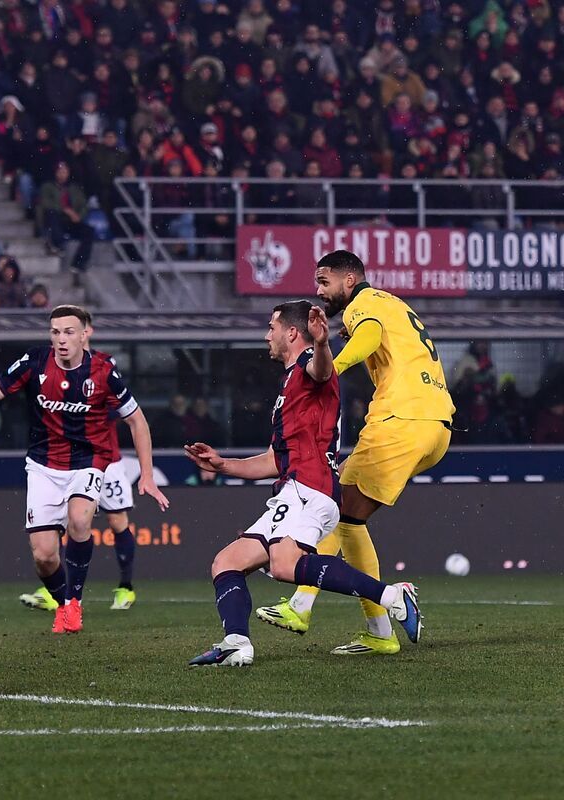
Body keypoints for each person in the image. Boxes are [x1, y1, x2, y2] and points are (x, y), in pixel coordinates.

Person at [184, 301, 422, 667]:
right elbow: (273, 460)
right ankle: (236, 642)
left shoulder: (310, 366)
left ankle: (392, 597)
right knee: (227, 562)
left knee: (283, 564)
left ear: (291, 332)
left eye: (271, 327)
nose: (267, 335)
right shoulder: (289, 385)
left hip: (310, 489)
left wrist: (325, 343)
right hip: (293, 488)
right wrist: (222, 465)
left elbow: (324, 371)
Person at [256, 251, 453, 656]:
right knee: (347, 515)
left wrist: (327, 371)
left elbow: (367, 338)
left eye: (324, 282)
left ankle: (301, 605)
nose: (318, 290)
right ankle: (379, 631)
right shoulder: (391, 303)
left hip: (402, 419)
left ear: (349, 280)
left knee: (333, 505)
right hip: (435, 424)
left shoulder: (361, 306)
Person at [0, 306, 168, 635]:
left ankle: (74, 603)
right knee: (44, 556)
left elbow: (137, 420)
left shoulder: (103, 372)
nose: (61, 339)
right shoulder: (33, 363)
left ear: (85, 334)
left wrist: (146, 474)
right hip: (43, 466)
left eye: (69, 332)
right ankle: (62, 604)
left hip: (88, 460)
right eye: (55, 332)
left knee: (81, 519)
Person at [18, 414, 142, 612]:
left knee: (117, 520)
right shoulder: (54, 385)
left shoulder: (102, 382)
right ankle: (59, 593)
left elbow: (119, 412)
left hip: (106, 459)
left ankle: (126, 588)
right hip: (66, 463)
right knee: (63, 523)